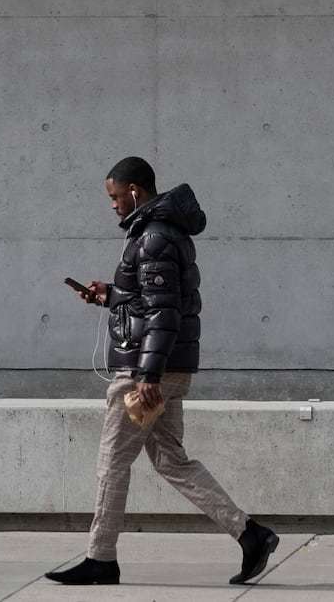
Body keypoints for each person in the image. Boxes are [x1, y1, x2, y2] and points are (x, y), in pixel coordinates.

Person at [45, 156, 280, 587]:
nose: (113, 205)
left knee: (112, 460)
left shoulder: (152, 236)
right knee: (172, 460)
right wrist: (110, 295)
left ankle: (101, 558)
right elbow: (150, 301)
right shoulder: (163, 232)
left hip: (146, 370)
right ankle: (250, 534)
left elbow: (165, 312)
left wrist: (147, 376)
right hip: (166, 366)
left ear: (135, 190)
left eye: (115, 197)